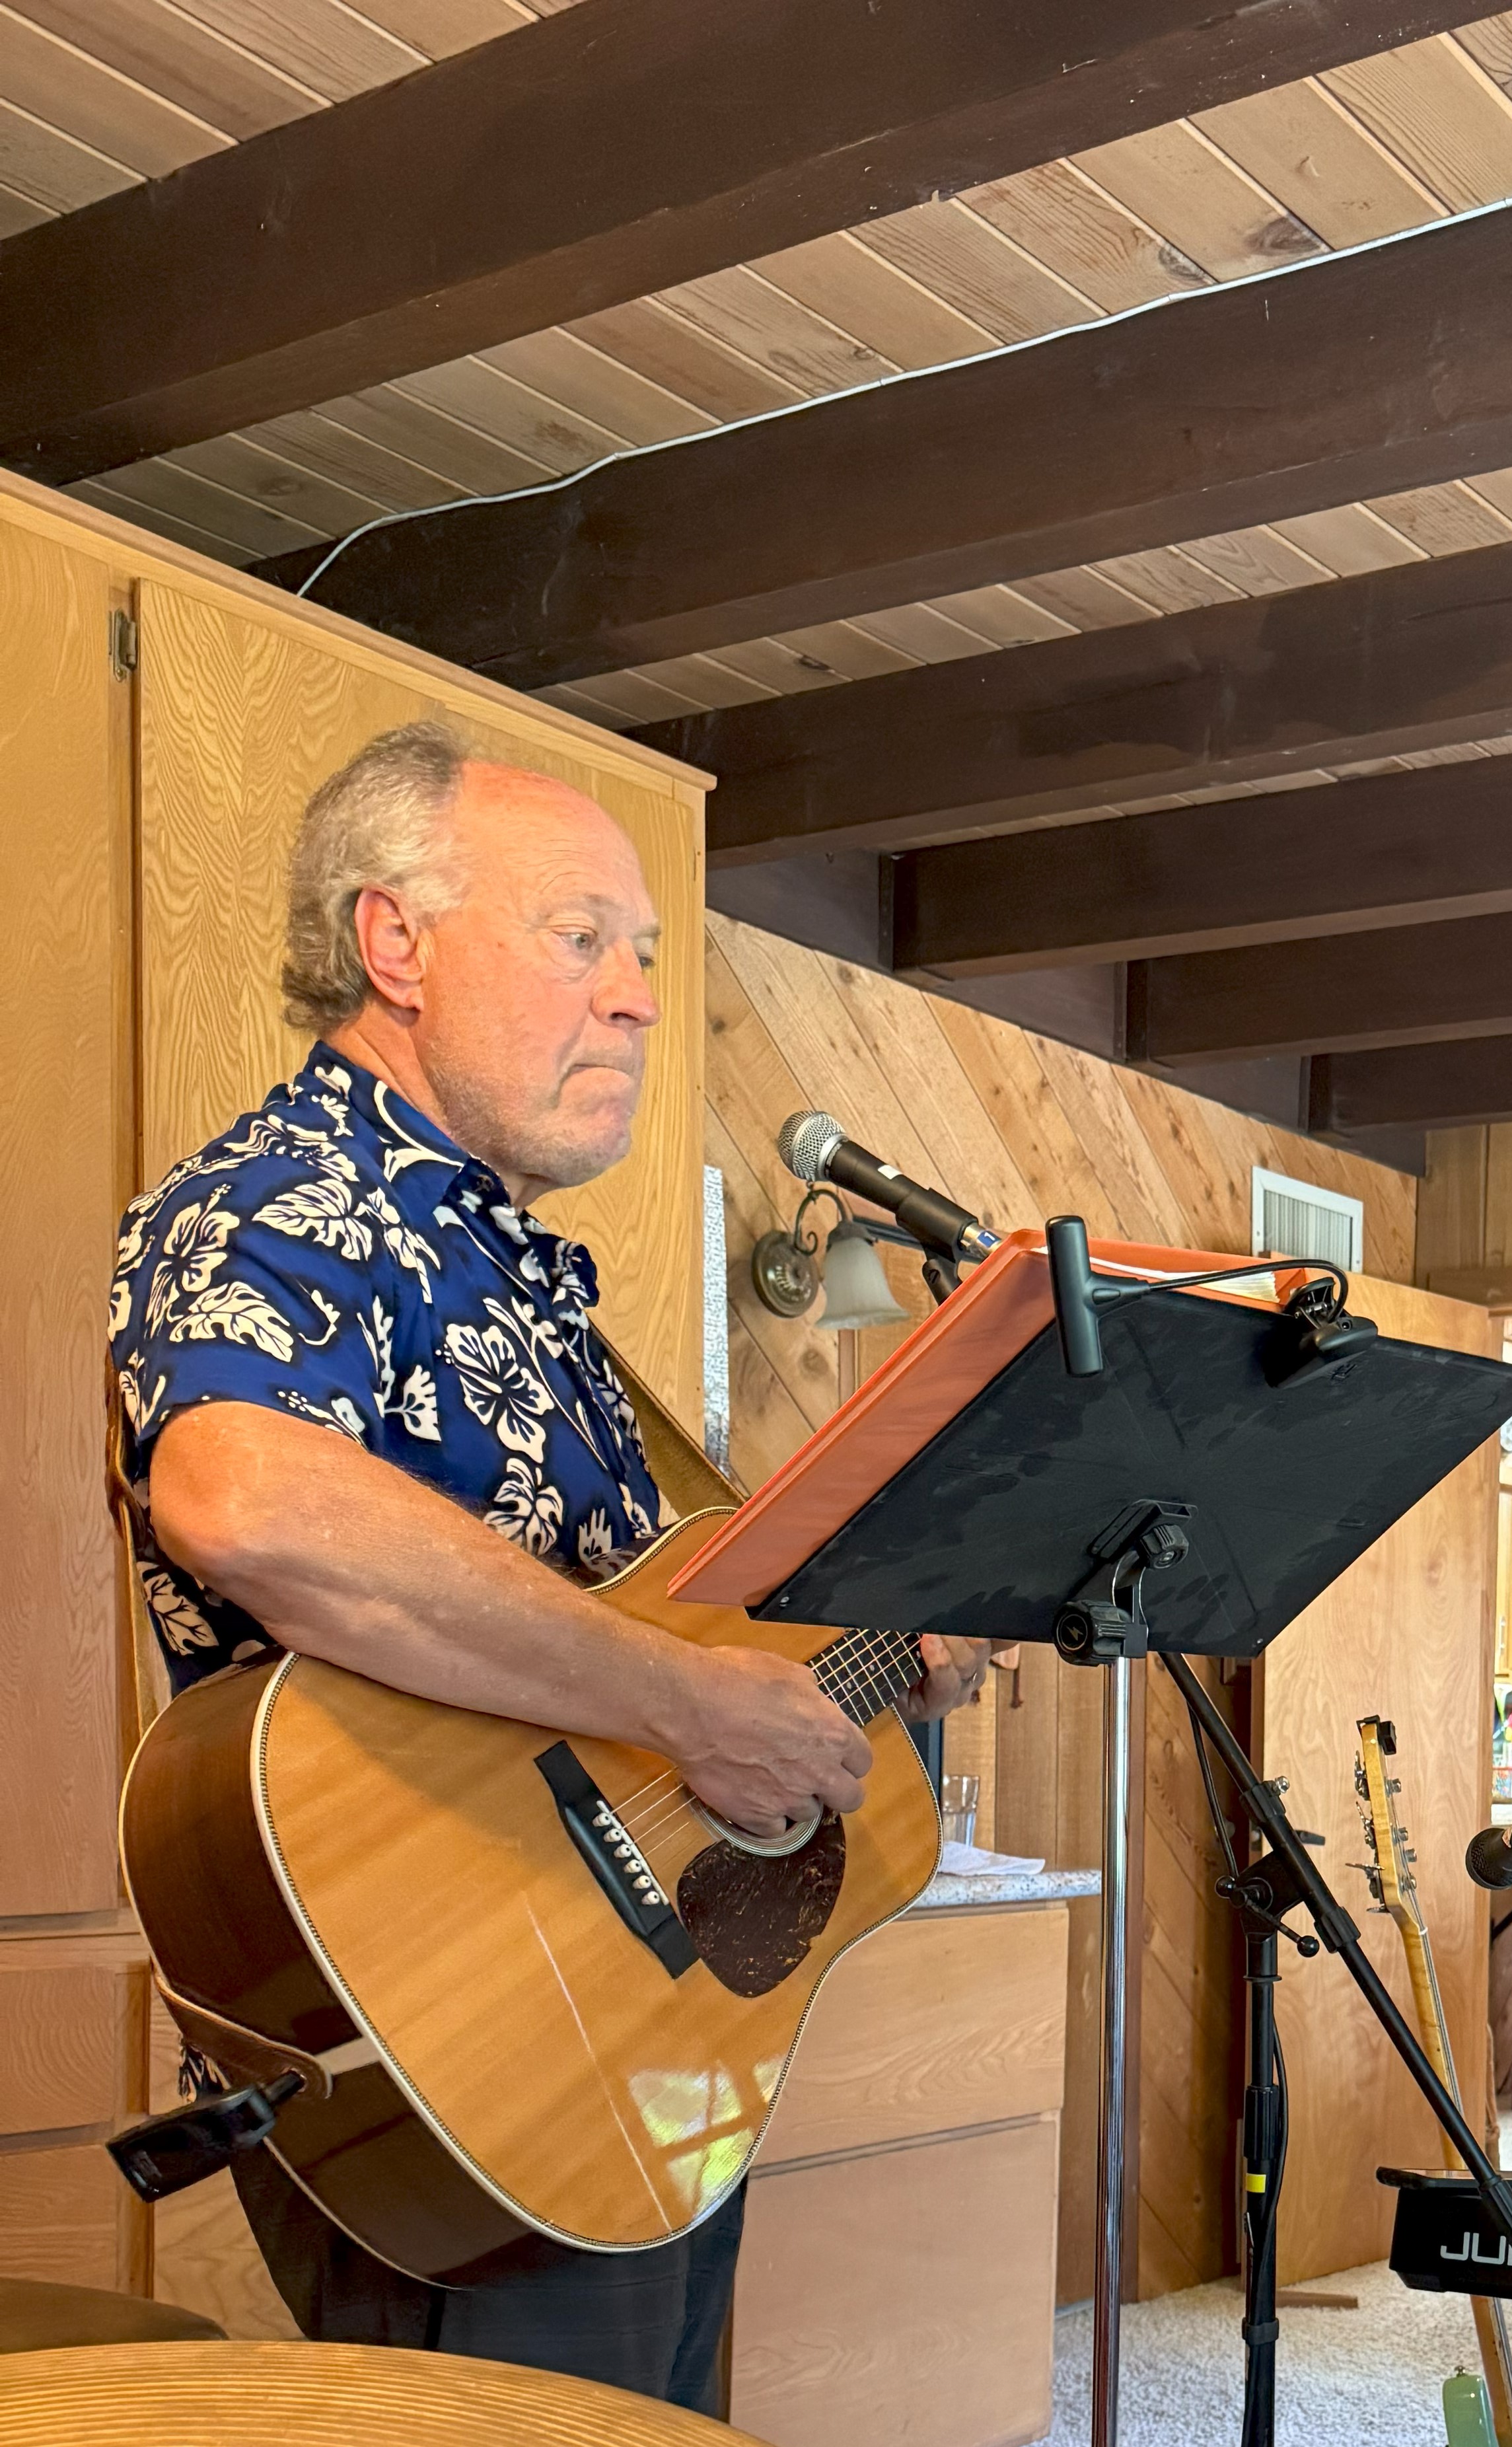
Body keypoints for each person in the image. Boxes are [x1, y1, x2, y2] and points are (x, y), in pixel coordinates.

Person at [108, 723, 993, 2407]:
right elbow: (248, 1501)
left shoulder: (517, 1275)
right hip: (454, 2043)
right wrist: (686, 1698)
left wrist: (866, 1672)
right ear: (396, 942)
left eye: (646, 953)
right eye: (581, 936)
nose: (642, 996)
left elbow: (652, 1658)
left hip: (629, 2038)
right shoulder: (283, 1201)